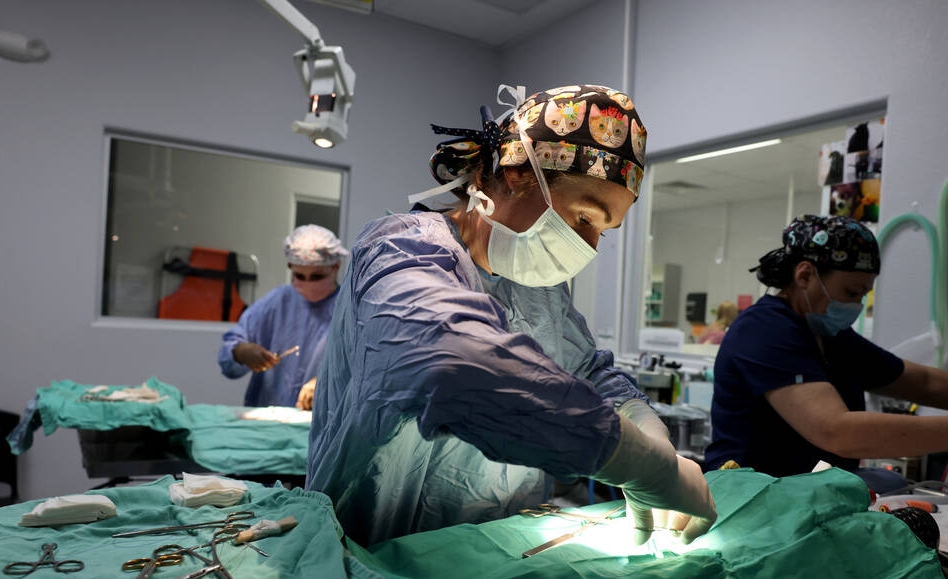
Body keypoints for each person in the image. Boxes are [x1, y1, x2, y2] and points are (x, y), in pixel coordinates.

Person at [306, 85, 716, 546]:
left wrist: (643, 424)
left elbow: (585, 371)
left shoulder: (541, 289)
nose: (589, 247)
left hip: (500, 548)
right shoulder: (399, 250)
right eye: (585, 218)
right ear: (518, 173)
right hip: (375, 558)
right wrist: (635, 461)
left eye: (605, 231)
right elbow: (451, 363)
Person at [705, 215, 948, 477]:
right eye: (850, 292)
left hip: (802, 506)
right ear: (805, 275)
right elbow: (837, 431)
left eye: (863, 294)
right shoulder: (763, 330)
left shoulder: (831, 337)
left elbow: (924, 382)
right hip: (750, 507)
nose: (855, 305)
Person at [218, 224, 348, 408]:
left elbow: (363, 370)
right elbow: (227, 357)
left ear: (336, 266)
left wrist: (328, 382)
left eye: (317, 276)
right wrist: (240, 352)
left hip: (323, 424)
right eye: (299, 276)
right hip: (270, 420)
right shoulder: (278, 302)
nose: (308, 283)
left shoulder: (349, 311)